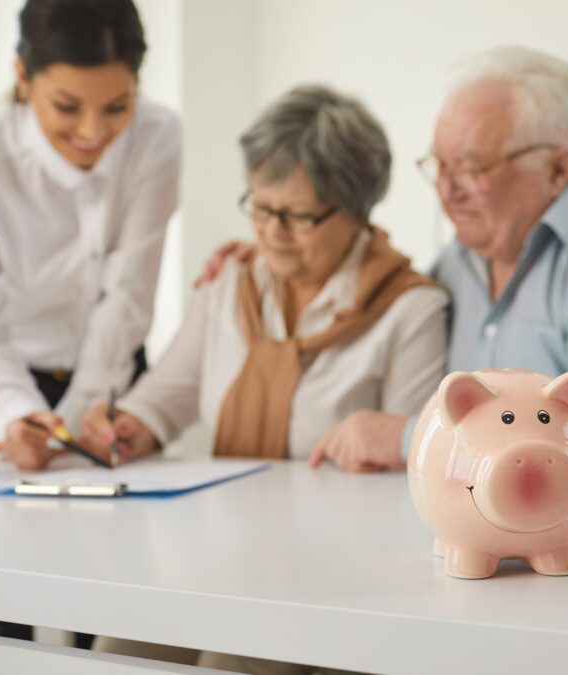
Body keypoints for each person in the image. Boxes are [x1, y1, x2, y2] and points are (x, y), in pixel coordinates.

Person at [84, 83, 447, 671]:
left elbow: (412, 482)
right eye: (259, 205)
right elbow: (169, 394)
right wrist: (124, 426)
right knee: (117, 649)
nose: (271, 231)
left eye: (298, 217)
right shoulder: (230, 283)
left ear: (355, 214)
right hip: (212, 549)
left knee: (232, 661)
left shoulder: (410, 309)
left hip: (338, 574)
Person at [201, 47, 568, 478]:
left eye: (471, 168)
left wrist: (409, 437)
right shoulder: (459, 263)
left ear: (558, 169)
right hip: (507, 529)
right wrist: (275, 250)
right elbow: (384, 286)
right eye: (440, 165)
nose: (446, 191)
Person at [0, 0, 180, 473]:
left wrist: (81, 415)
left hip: (111, 382)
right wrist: (17, 415)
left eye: (117, 106)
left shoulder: (156, 137)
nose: (92, 131)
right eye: (67, 106)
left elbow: (128, 296)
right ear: (22, 76)